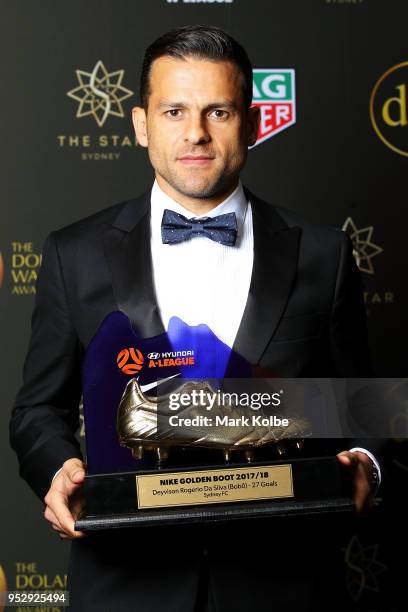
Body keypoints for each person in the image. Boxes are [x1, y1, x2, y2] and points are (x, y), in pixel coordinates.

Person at [10, 24, 382, 612]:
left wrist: (365, 464)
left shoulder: (324, 252)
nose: (196, 134)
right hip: (124, 584)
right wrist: (58, 469)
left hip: (284, 583)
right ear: (141, 125)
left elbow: (362, 401)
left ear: (254, 124)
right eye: (174, 110)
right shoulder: (71, 253)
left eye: (219, 111)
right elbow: (36, 409)